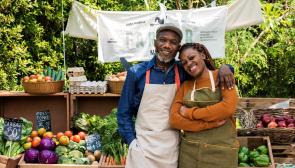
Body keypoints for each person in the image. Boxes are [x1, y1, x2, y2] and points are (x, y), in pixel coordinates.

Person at [117, 23, 235, 168]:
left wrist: (226, 68)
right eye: (162, 40)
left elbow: (206, 70)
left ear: (178, 48)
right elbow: (123, 112)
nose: (167, 45)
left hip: (172, 148)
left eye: (173, 42)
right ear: (155, 42)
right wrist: (131, 142)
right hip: (143, 148)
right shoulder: (137, 73)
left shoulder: (184, 69)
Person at [169, 42, 238, 168]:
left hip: (221, 154)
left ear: (203, 55)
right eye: (184, 62)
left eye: (191, 58)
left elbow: (227, 108)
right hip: (189, 154)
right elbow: (174, 120)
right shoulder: (185, 86)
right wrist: (207, 124)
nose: (189, 64)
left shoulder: (223, 76)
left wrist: (190, 113)